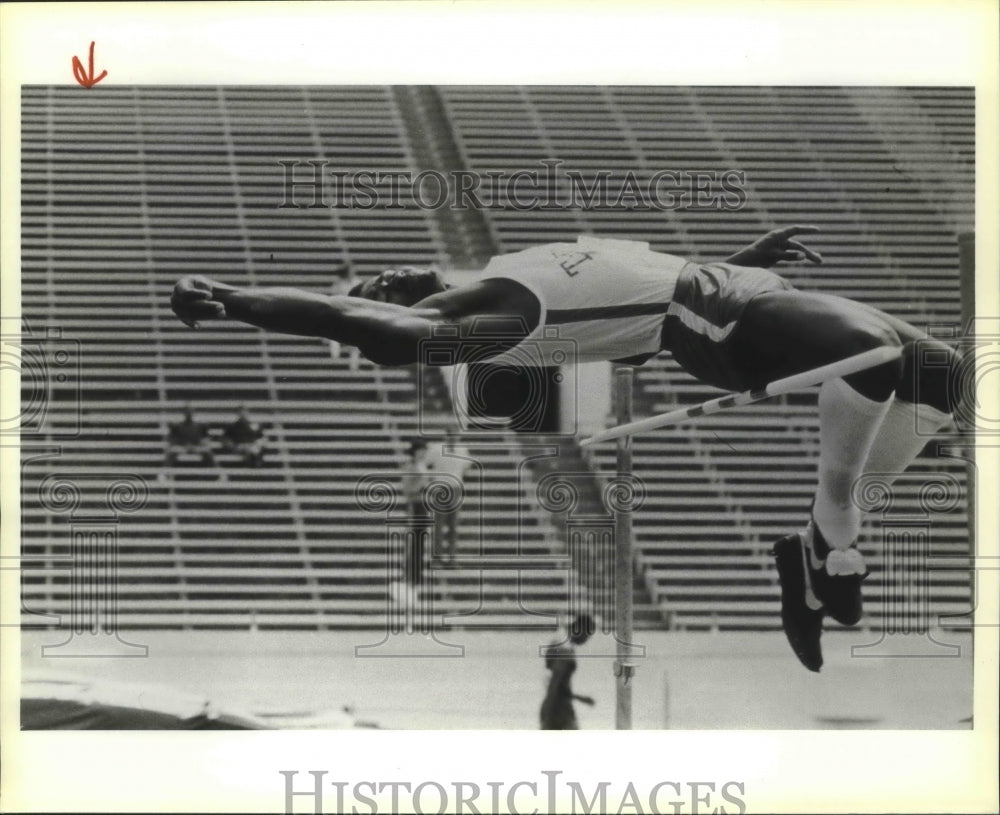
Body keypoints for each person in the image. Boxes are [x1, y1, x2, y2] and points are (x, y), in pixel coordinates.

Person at [171, 226, 964, 672]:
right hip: (712, 321)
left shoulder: (513, 265)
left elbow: (626, 268)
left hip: (733, 283)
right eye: (384, 285)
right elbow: (363, 327)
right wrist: (240, 299)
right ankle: (828, 544)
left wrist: (747, 254)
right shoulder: (491, 317)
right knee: (872, 352)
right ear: (416, 306)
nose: (390, 274)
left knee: (945, 376)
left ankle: (817, 547)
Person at [540, 613, 596, 730]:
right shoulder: (565, 651)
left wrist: (580, 698)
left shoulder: (559, 641)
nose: (586, 640)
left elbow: (558, 684)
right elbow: (555, 683)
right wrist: (549, 713)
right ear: (579, 629)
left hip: (557, 705)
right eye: (587, 635)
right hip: (558, 710)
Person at [426, 427, 472, 561]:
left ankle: (452, 557)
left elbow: (466, 468)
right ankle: (437, 557)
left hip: (455, 488)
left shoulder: (462, 450)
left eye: (455, 436)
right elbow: (426, 465)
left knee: (453, 525)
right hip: (440, 488)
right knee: (438, 524)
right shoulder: (435, 449)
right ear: (445, 436)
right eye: (450, 436)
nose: (452, 438)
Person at [398, 439, 433, 596]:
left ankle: (416, 576)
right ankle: (409, 576)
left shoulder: (423, 465)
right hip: (414, 505)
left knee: (420, 542)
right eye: (421, 450)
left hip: (423, 505)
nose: (424, 453)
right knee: (412, 542)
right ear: (415, 451)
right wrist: (420, 486)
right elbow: (407, 489)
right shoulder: (410, 466)